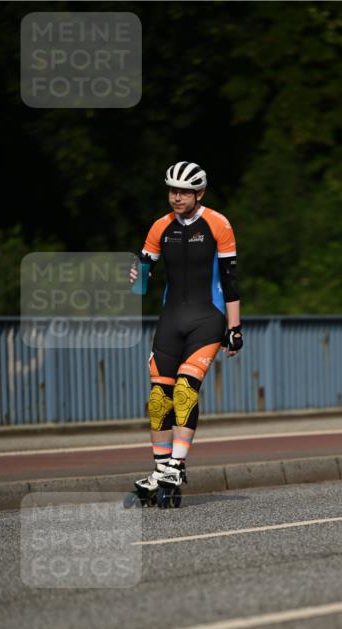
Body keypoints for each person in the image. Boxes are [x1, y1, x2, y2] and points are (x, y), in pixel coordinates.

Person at [129, 160, 242, 498]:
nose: (176, 197)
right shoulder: (160, 227)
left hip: (208, 318)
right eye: (172, 190)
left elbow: (230, 280)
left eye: (184, 192)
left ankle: (177, 465)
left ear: (199, 193)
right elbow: (142, 278)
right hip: (171, 318)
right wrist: (135, 276)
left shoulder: (217, 223)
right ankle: (160, 468)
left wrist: (234, 329)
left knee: (184, 391)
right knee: (158, 399)